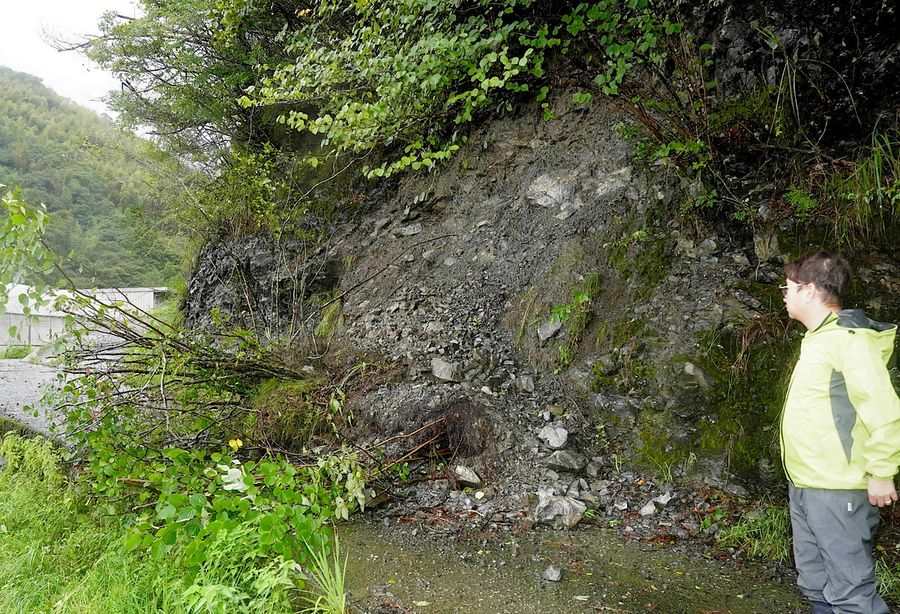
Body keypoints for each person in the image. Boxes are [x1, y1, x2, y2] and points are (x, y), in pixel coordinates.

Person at [779, 250, 900, 613]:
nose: (784, 296)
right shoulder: (818, 339)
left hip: (837, 487)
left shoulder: (851, 340)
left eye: (788, 289)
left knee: (850, 593)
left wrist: (882, 472)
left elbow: (883, 409)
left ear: (811, 291)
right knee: (815, 584)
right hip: (806, 483)